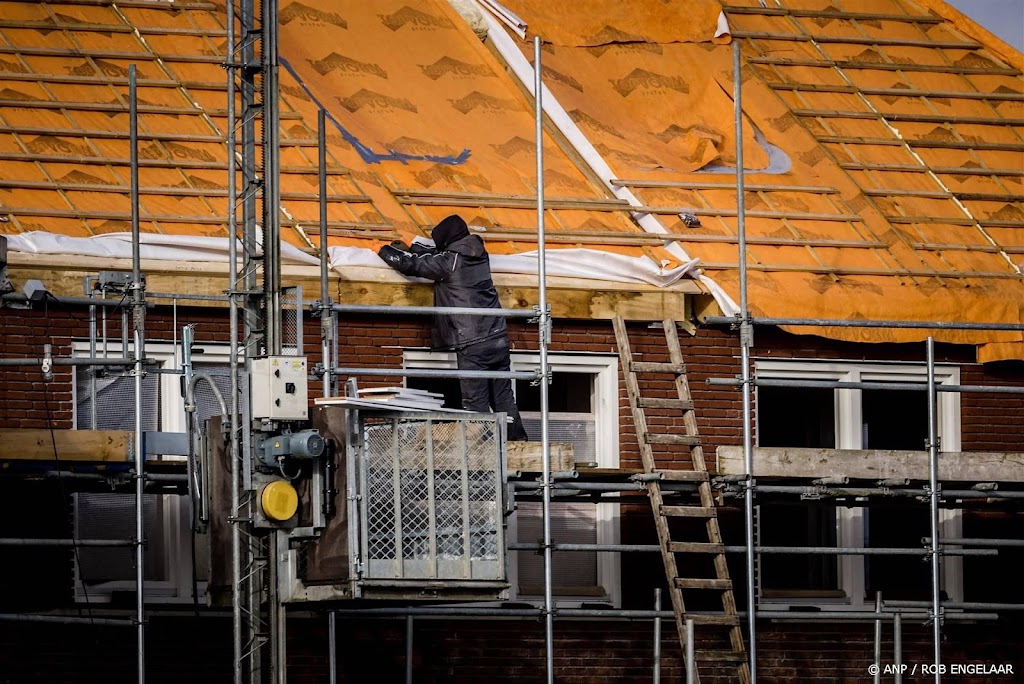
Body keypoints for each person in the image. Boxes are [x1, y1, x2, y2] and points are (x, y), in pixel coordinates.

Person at [377, 215, 529, 441]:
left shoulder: (450, 261)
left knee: (475, 403)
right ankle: (517, 445)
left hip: (472, 340)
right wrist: (413, 245)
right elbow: (435, 256)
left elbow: (413, 266)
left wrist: (382, 250)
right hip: (497, 336)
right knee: (503, 397)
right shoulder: (477, 252)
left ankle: (483, 454)